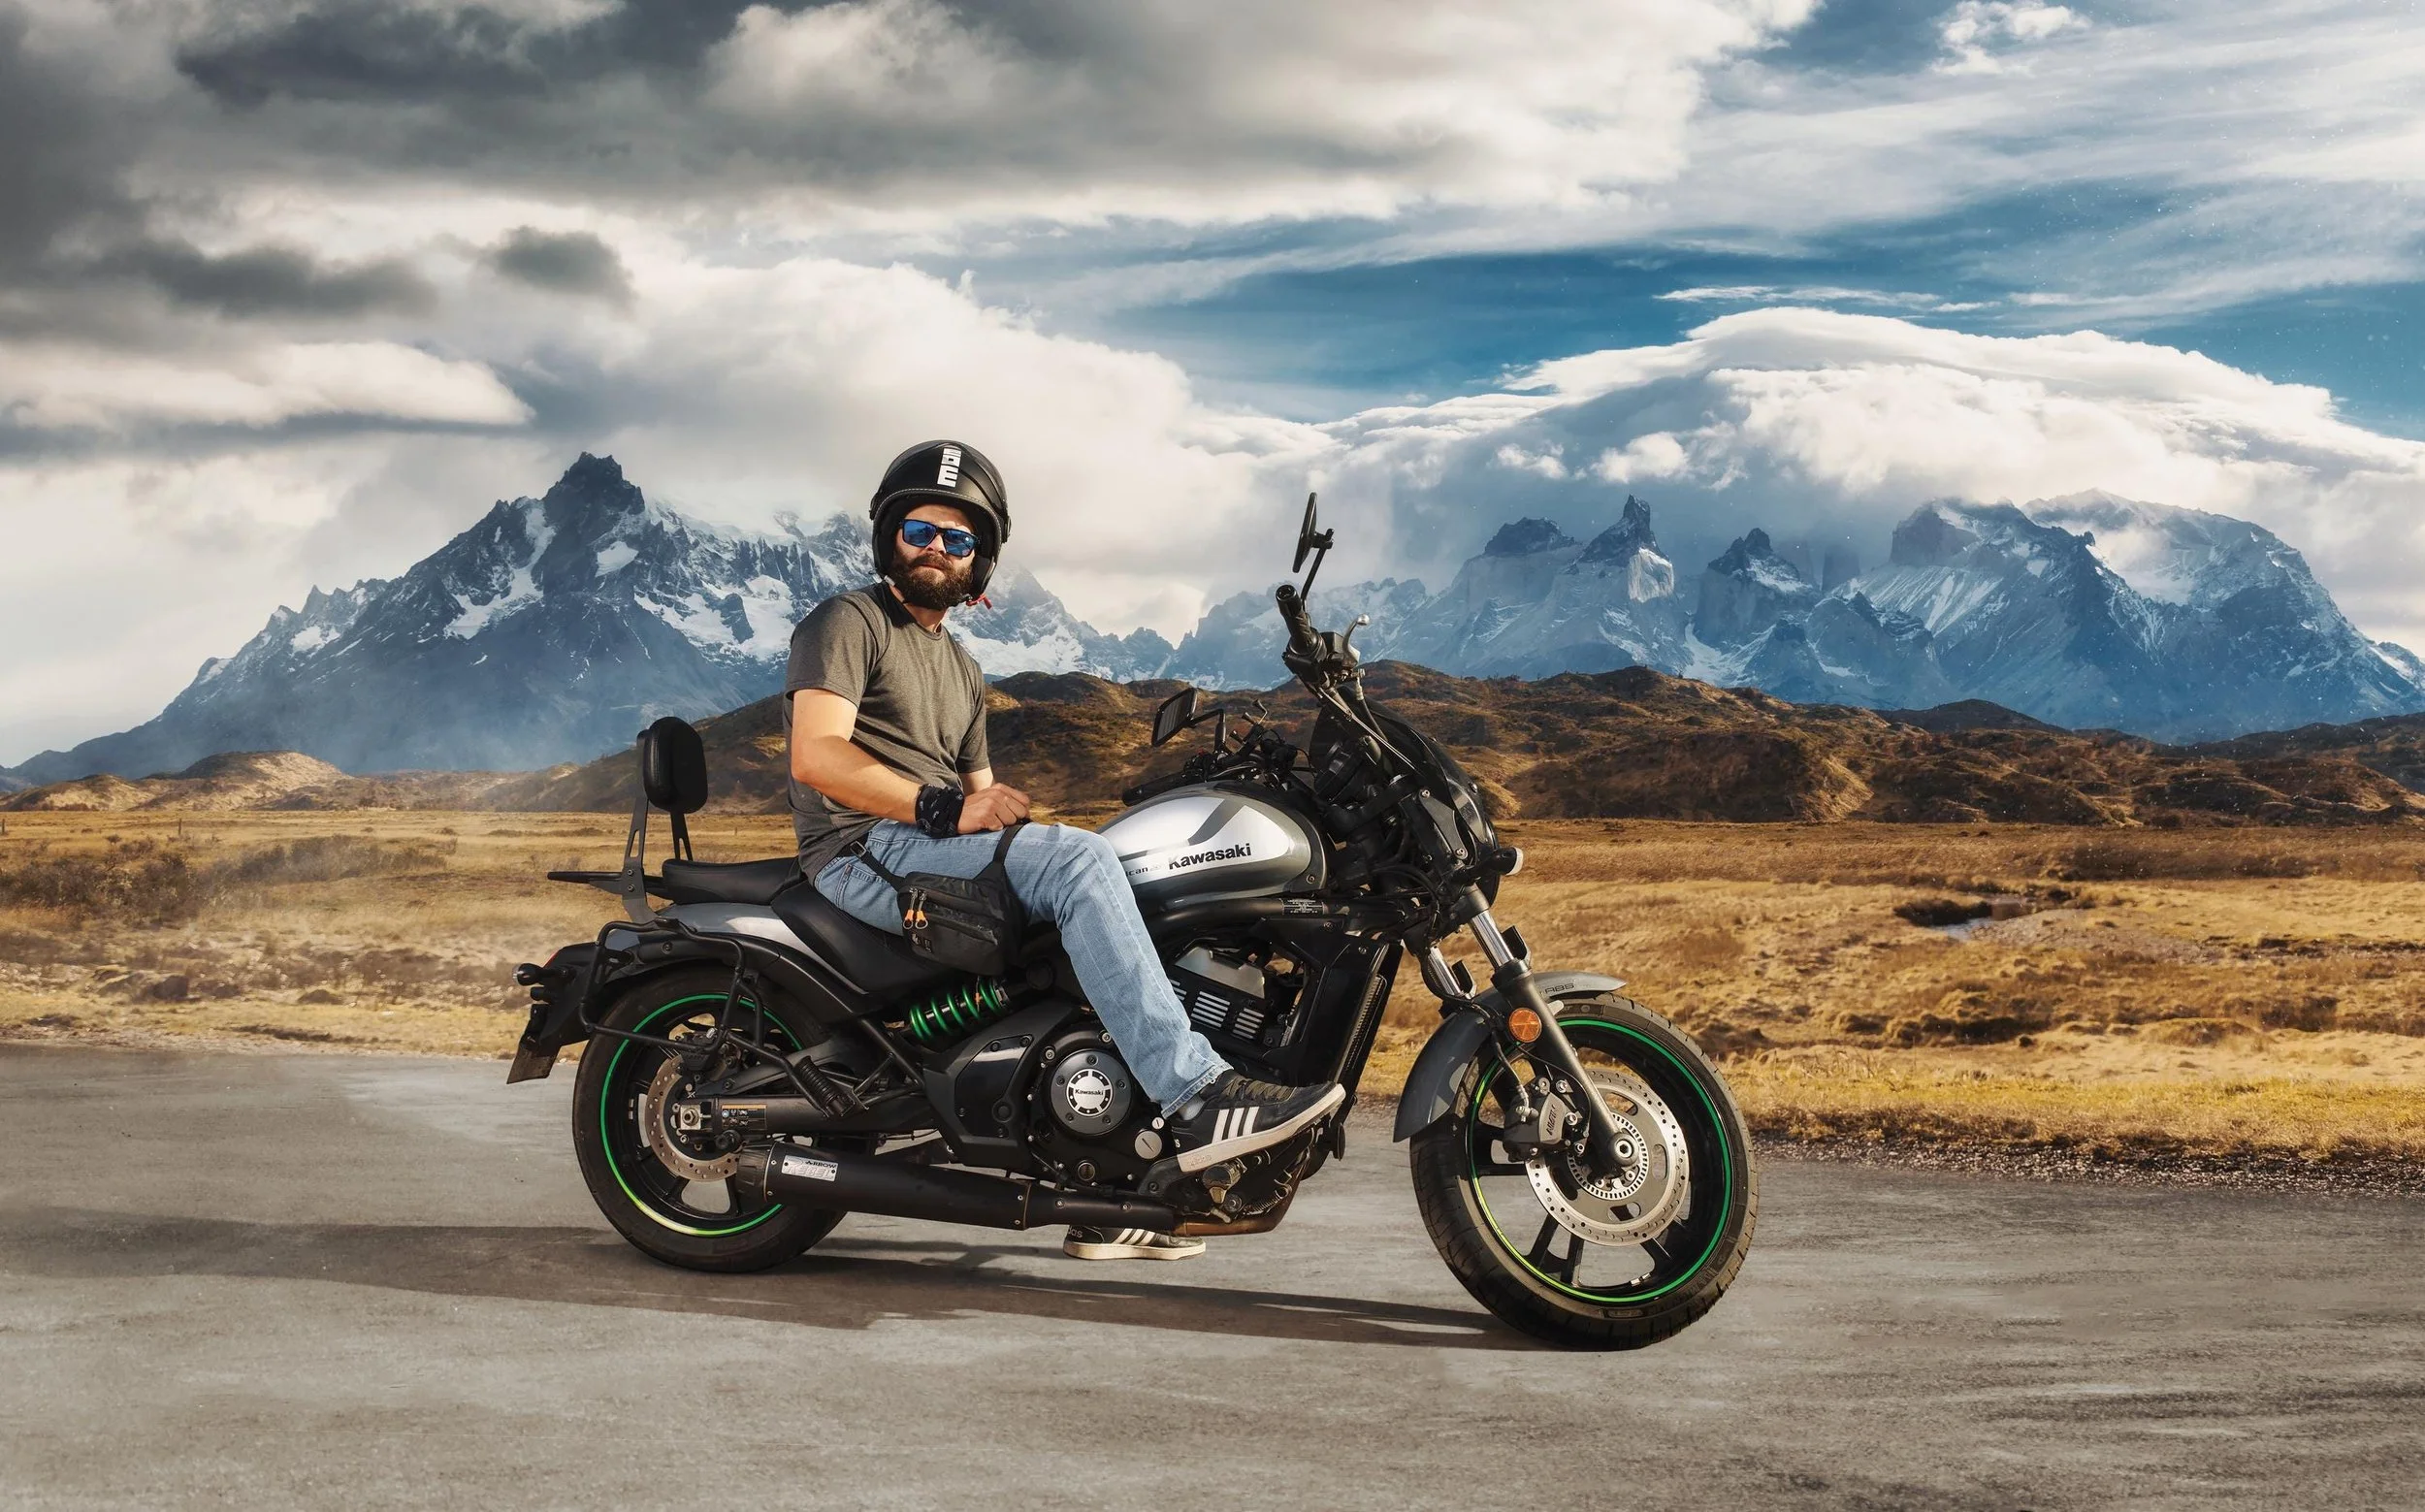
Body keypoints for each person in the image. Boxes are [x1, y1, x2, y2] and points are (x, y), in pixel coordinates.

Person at [785, 439, 1344, 1263]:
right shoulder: (850, 621)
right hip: (861, 848)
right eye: (919, 530)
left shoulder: (962, 667)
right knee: (1079, 865)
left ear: (981, 562)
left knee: (1112, 879)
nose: (937, 550)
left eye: (959, 540)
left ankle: (1109, 1181)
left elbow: (987, 799)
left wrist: (1017, 825)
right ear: (886, 535)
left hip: (928, 842)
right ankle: (1195, 1095)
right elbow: (817, 755)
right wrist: (946, 806)